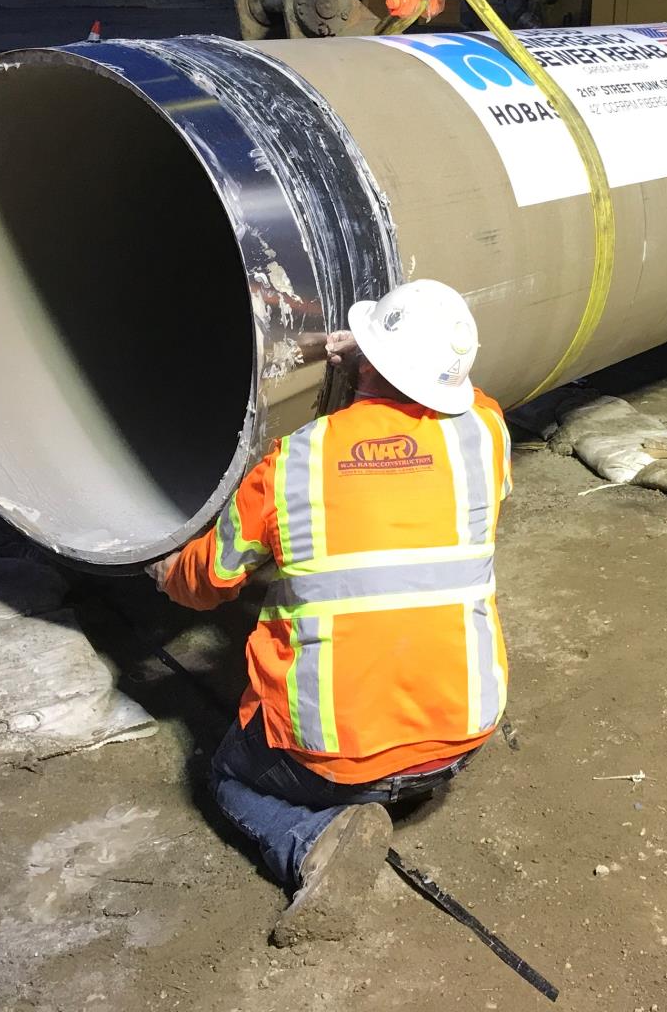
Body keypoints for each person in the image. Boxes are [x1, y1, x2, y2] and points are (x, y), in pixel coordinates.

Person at [154, 279, 512, 947]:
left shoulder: (295, 463)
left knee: (226, 778)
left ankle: (312, 838)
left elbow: (210, 581)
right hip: (462, 735)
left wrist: (167, 571)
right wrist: (385, 357)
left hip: (335, 760)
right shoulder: (486, 436)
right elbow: (468, 397)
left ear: (370, 363)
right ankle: (390, 792)